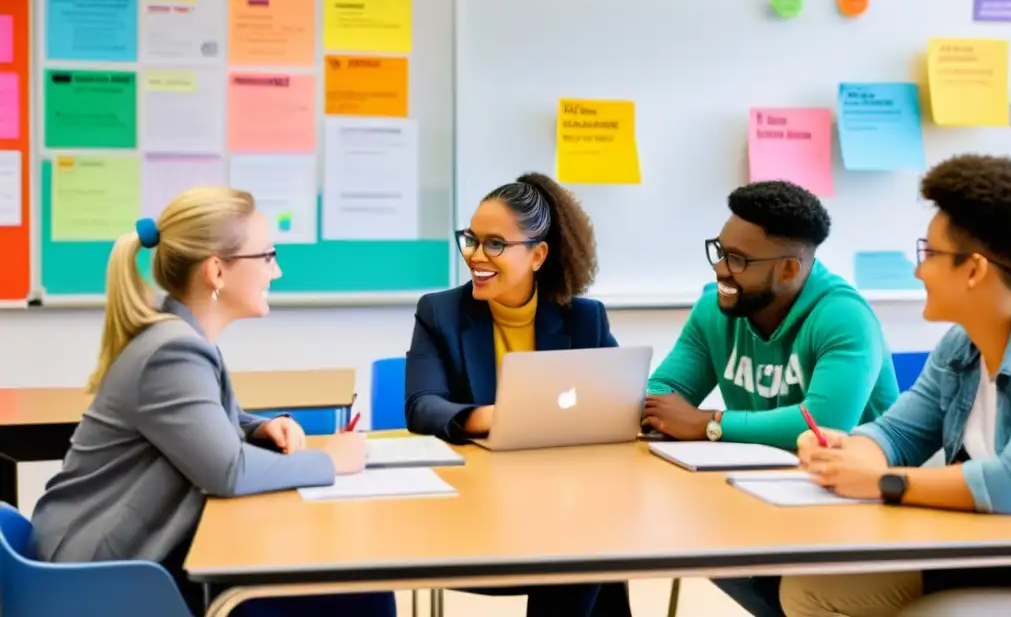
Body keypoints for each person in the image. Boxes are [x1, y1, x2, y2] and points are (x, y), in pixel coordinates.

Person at [31, 187, 396, 617]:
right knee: (359, 598)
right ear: (217, 271)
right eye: (266, 257)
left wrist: (255, 427)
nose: (275, 272)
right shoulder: (173, 351)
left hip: (114, 551)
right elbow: (229, 471)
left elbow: (199, 418)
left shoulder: (180, 338)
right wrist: (332, 461)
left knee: (355, 593)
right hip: (98, 571)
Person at [780, 154, 1011, 617]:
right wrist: (846, 454)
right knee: (811, 591)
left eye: (929, 254)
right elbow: (896, 433)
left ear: (974, 270)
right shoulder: (960, 346)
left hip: (1009, 563)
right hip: (983, 553)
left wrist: (881, 481)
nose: (918, 271)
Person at [643, 180, 899, 617]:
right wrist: (652, 409)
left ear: (788, 270)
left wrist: (710, 423)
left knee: (747, 567)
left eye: (737, 260)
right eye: (719, 251)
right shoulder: (715, 309)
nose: (721, 269)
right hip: (762, 492)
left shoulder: (844, 317)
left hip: (852, 508)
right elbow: (664, 394)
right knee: (696, 539)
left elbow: (821, 424)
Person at [405, 172, 629, 616]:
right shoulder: (440, 312)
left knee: (588, 539)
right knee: (586, 552)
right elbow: (422, 406)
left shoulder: (584, 319)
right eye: (471, 239)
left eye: (494, 244)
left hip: (565, 499)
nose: (475, 255)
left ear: (538, 254)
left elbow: (620, 398)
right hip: (477, 506)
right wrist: (497, 416)